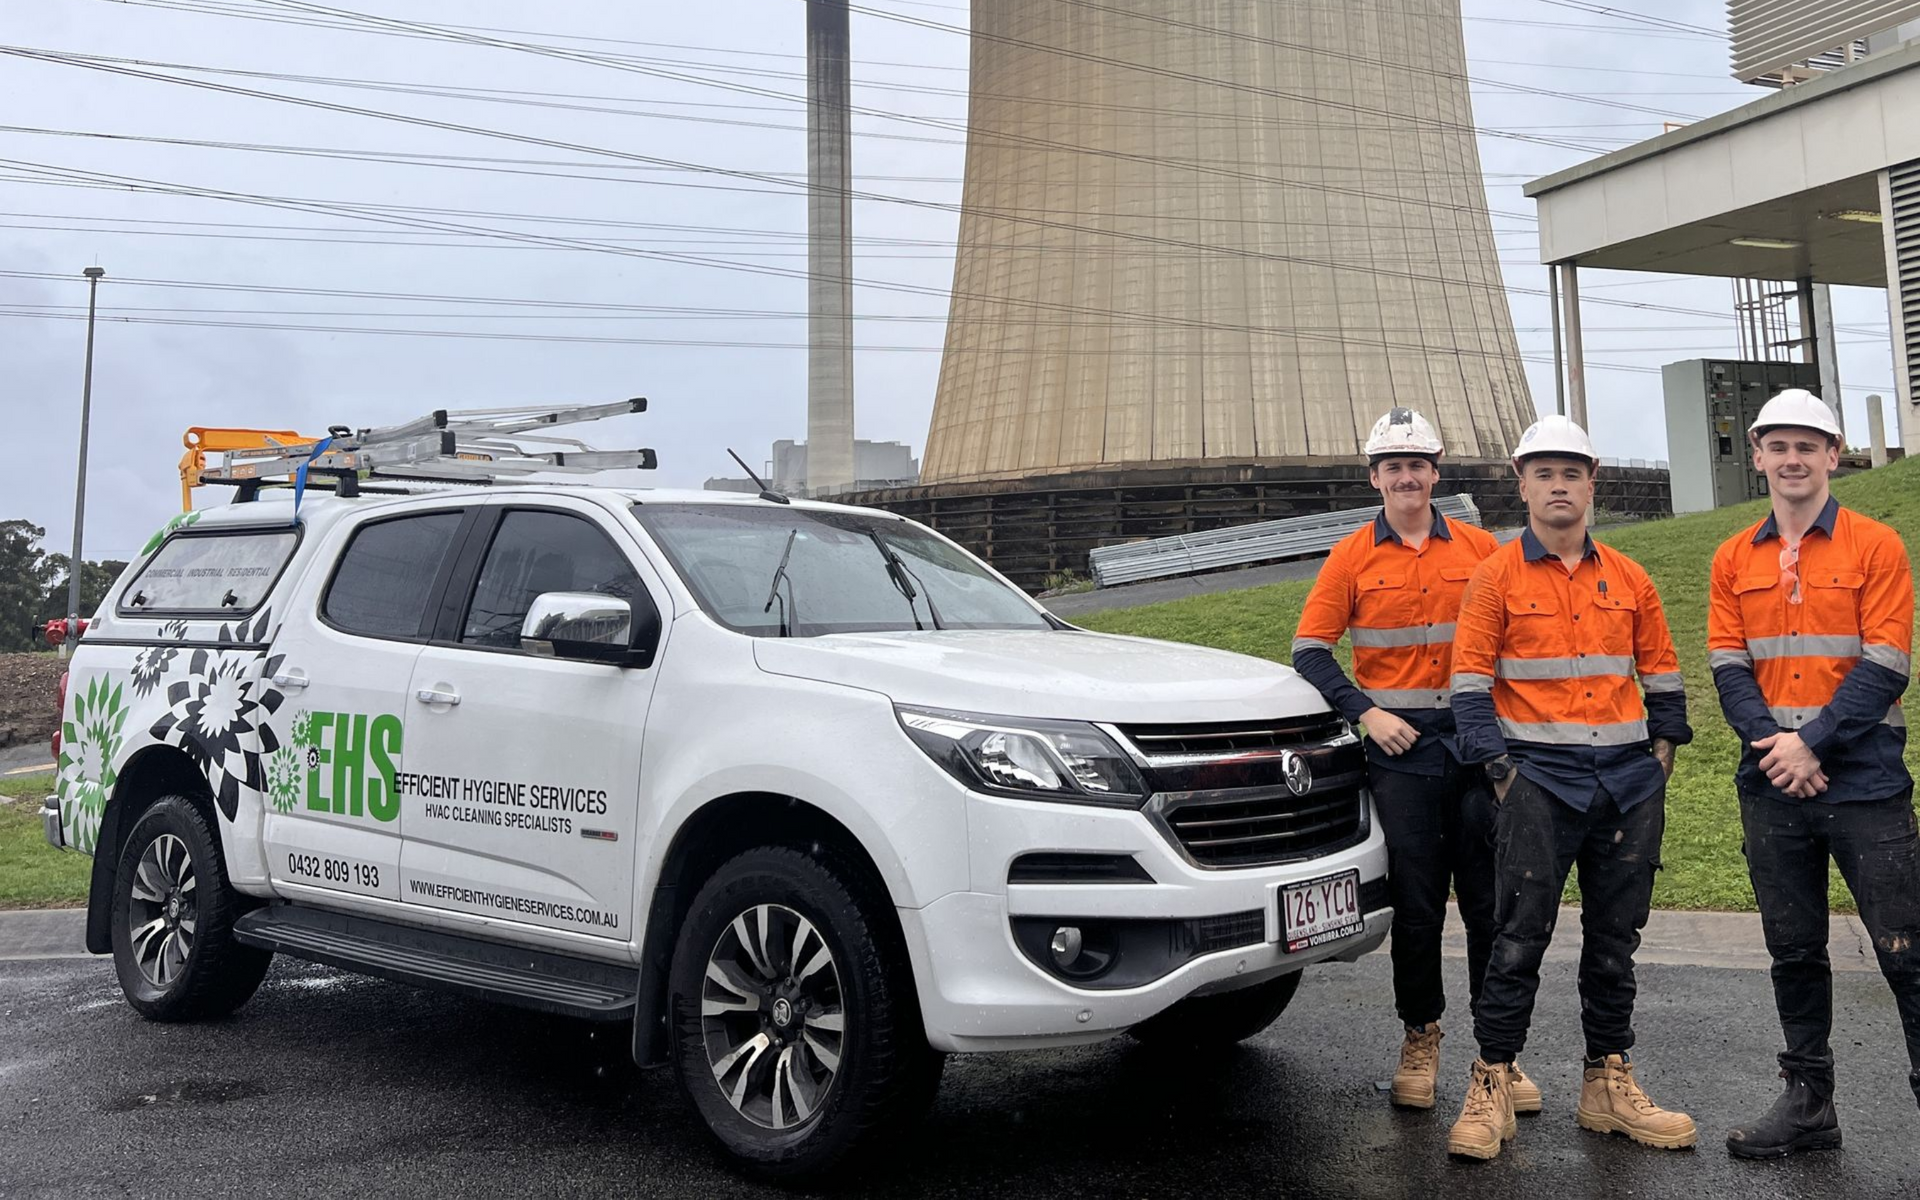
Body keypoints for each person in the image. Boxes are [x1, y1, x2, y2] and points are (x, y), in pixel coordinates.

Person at [1444, 415, 1696, 1161]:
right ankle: (1491, 1081)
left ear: (1592, 484)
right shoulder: (1494, 575)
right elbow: (1468, 687)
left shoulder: (1631, 576)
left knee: (1617, 940)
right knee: (1518, 939)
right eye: (1544, 473)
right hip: (1538, 781)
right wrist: (1501, 772)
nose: (1559, 485)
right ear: (1521, 484)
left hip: (1626, 780)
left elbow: (1665, 675)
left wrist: (1661, 753)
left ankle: (1607, 1084)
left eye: (1572, 473)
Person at [1292, 408, 1534, 1114]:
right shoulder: (1351, 556)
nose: (1407, 476)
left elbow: (1510, 642)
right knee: (1420, 906)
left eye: (1417, 464)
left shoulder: (1482, 549)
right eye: (1393, 466)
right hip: (1403, 754)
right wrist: (1368, 713)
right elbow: (1311, 648)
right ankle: (1420, 1035)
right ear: (1375, 478)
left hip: (1477, 747)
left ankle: (1500, 1055)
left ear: (1436, 472)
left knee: (1491, 906)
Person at [1708, 389, 1918, 1160]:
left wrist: (1812, 744)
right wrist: (1774, 745)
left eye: (1809, 446)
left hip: (1864, 780)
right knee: (1793, 948)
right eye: (1778, 446)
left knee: (1907, 949)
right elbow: (1728, 665)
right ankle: (1808, 1106)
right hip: (1772, 782)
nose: (1792, 459)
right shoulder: (1734, 556)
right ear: (1758, 456)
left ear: (1834, 456)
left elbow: (1886, 663)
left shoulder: (1876, 546)